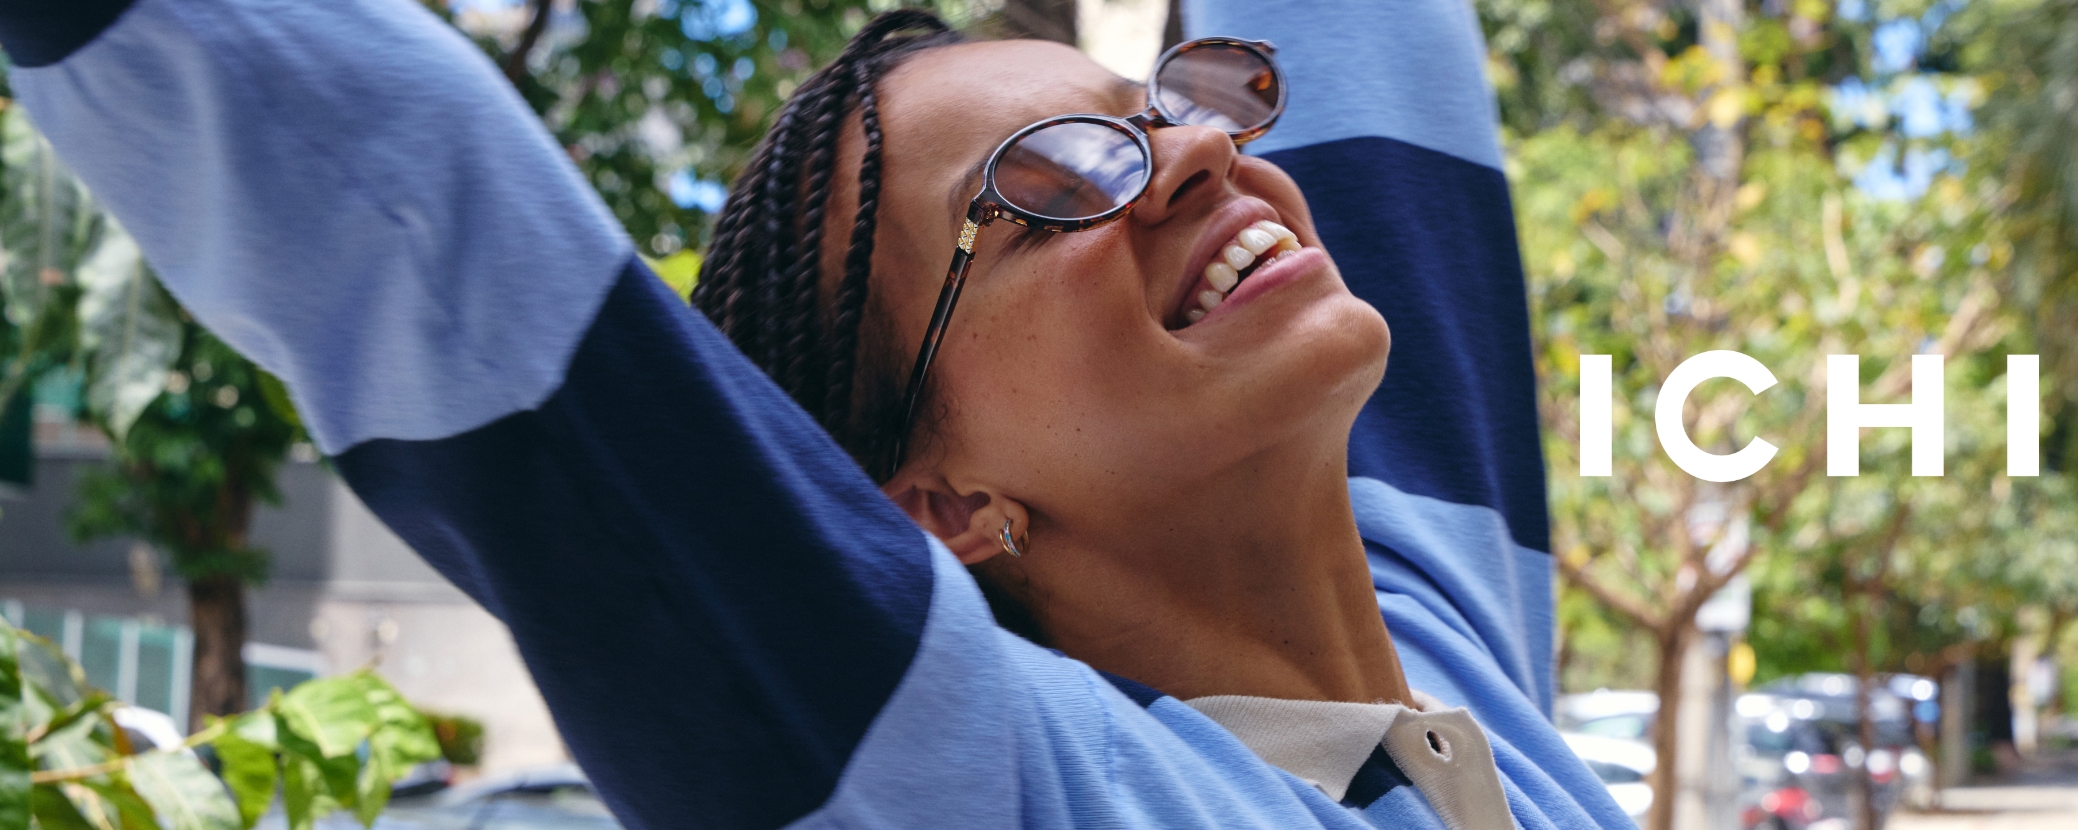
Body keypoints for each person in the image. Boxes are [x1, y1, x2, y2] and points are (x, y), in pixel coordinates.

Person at [0, 0, 1632, 827]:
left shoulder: (1452, 647)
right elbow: (414, 200)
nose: (1201, 152)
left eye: (1165, 107)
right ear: (937, 502)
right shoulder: (987, 784)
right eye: (1056, 179)